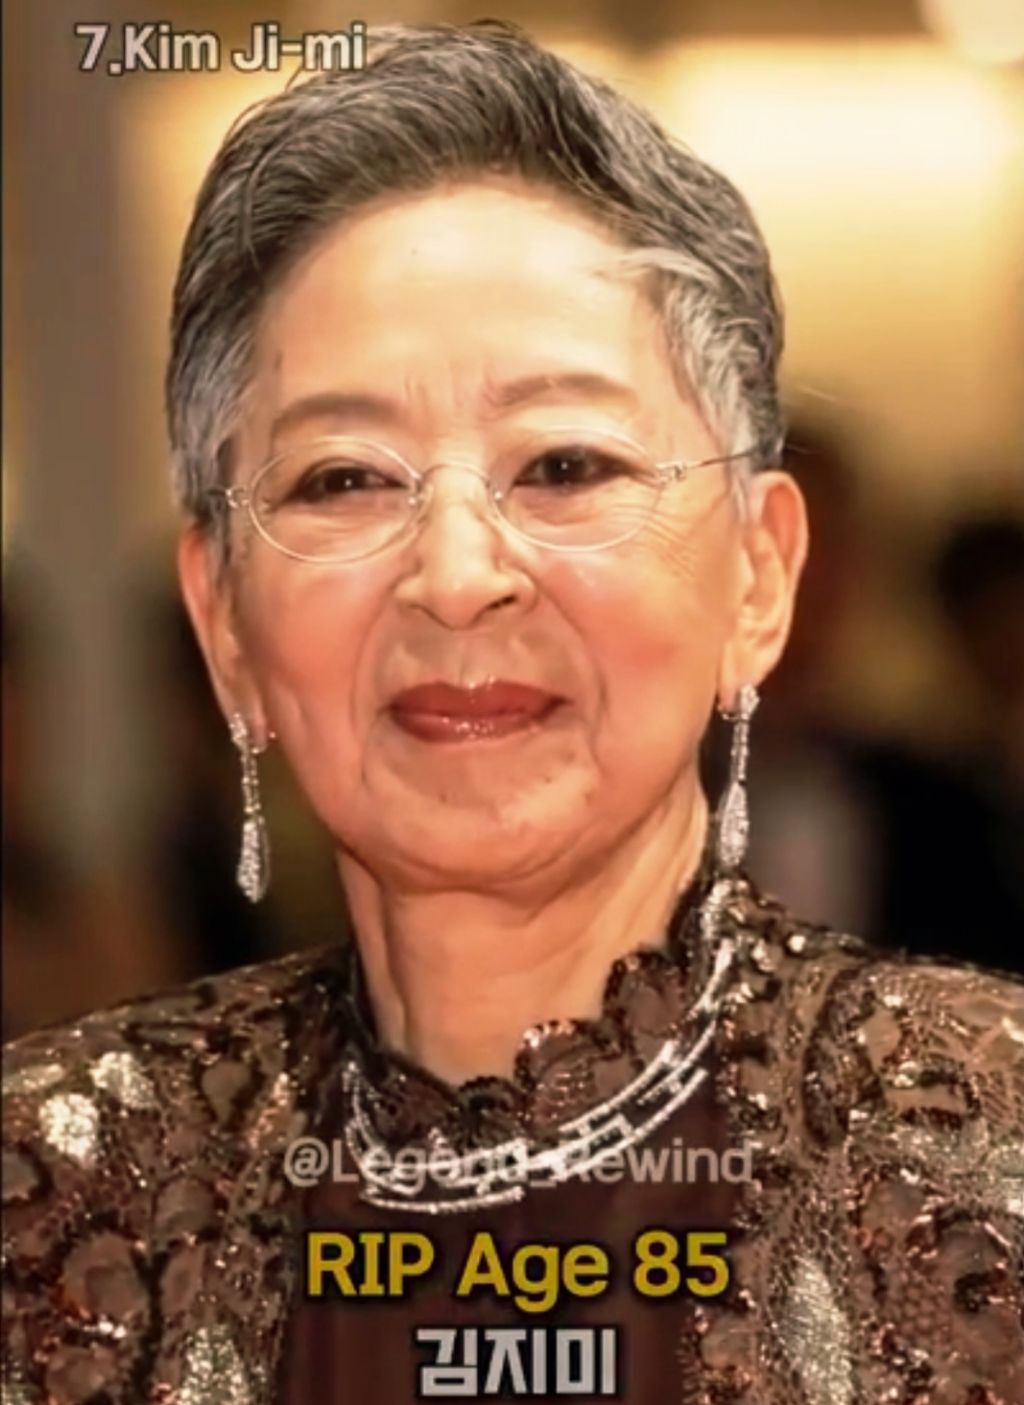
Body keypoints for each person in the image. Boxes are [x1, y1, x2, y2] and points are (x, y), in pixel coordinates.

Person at [3, 22, 1022, 1404]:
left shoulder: (991, 1165)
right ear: (225, 623)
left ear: (759, 577)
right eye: (344, 479)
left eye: (563, 464)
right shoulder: (52, 1203)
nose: (456, 573)